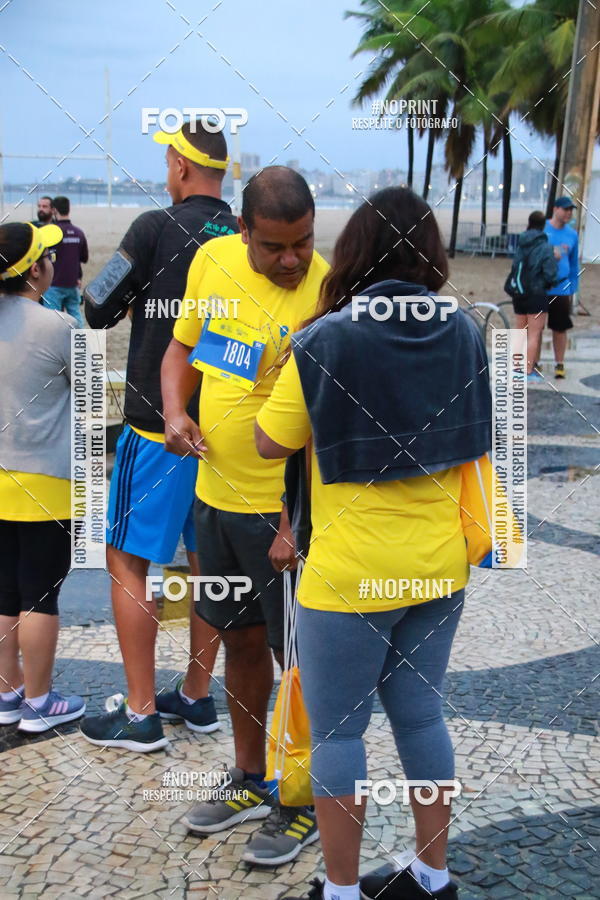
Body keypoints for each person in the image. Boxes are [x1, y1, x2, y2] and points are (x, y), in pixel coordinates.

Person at [254, 186, 492, 900]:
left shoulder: (325, 340)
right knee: (422, 715)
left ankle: (340, 889)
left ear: (352, 250)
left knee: (338, 736)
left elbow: (270, 442)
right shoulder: (463, 331)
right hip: (439, 568)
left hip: (349, 576)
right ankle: (432, 873)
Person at [161, 166, 329, 864]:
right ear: (242, 233)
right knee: (240, 644)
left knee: (301, 661)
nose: (292, 259)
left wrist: (296, 519)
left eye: (303, 242)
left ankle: (303, 800)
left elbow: (326, 421)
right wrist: (174, 411)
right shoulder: (212, 261)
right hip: (214, 499)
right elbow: (181, 349)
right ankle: (249, 775)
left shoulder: (328, 288)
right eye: (274, 247)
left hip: (281, 516)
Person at [79, 120, 237, 753]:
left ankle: (141, 712)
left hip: (157, 426)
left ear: (179, 166)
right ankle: (196, 697)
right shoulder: (240, 234)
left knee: (126, 559)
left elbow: (95, 304)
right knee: (208, 568)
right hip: (222, 428)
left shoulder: (151, 228)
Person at [0, 222, 86, 732]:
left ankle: (8, 693)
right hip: (48, 483)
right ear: (35, 269)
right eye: (47, 255)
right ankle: (39, 701)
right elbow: (96, 396)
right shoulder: (58, 327)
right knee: (40, 595)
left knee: (4, 594)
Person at [505, 210, 557, 382]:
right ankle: (527, 370)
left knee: (520, 330)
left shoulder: (521, 244)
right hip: (537, 293)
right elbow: (550, 274)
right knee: (534, 334)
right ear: (543, 226)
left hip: (519, 293)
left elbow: (515, 267)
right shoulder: (545, 247)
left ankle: (516, 367)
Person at [544, 196, 579, 379]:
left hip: (562, 287)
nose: (568, 213)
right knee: (535, 327)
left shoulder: (572, 234)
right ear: (556, 209)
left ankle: (559, 363)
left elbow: (574, 264)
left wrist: (573, 287)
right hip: (541, 287)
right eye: (565, 209)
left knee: (560, 327)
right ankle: (533, 363)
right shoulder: (542, 230)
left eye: (571, 210)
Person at [42, 196, 88, 328]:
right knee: (76, 316)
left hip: (54, 283)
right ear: (69, 209)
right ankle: (81, 344)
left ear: (54, 210)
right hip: (72, 282)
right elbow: (83, 258)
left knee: (53, 319)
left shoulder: (51, 232)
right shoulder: (78, 233)